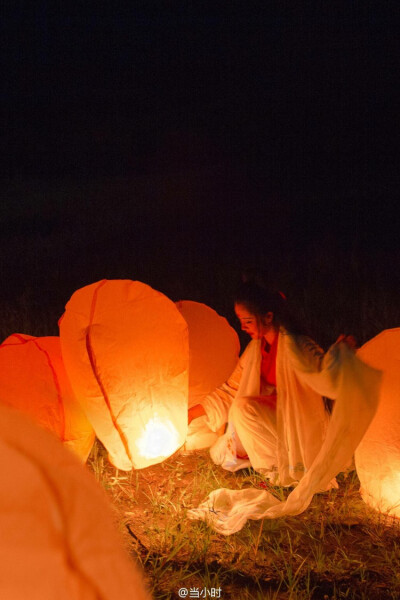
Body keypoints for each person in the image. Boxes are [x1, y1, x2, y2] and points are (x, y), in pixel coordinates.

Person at [188, 279, 355, 486]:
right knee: (224, 454)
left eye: (248, 321)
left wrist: (340, 358)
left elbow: (325, 375)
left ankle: (277, 474)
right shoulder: (255, 350)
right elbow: (231, 390)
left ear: (268, 317)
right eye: (240, 321)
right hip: (273, 421)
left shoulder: (297, 346)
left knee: (242, 409)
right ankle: (272, 461)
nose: (242, 327)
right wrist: (190, 414)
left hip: (300, 428)